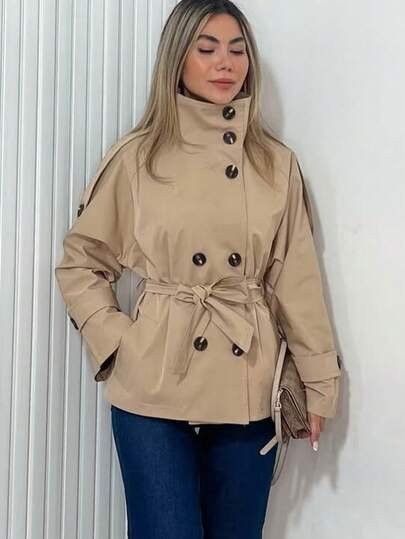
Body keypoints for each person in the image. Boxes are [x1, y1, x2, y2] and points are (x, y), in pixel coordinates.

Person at [55, 0, 342, 537]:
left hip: (246, 378)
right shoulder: (137, 158)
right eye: (206, 49)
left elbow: (295, 281)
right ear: (177, 60)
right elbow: (81, 262)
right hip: (153, 381)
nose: (225, 63)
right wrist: (119, 344)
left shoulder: (275, 165)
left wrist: (319, 381)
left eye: (237, 50)